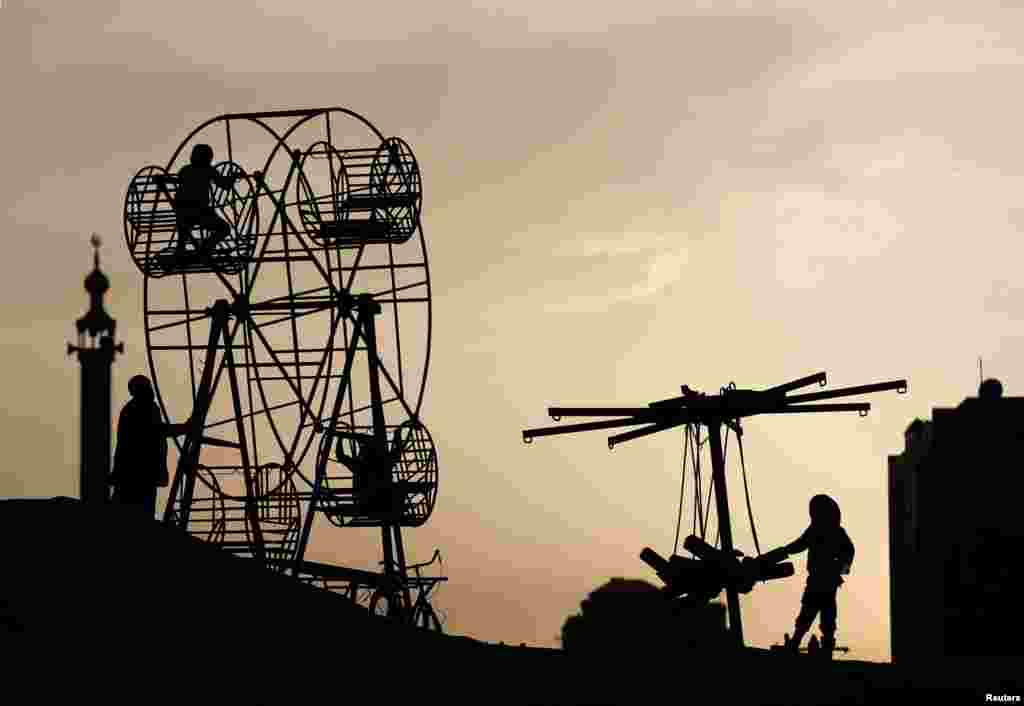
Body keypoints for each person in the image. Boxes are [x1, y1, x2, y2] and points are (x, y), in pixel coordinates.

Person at [777, 494, 855, 654]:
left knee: (815, 613)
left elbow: (848, 551)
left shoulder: (826, 531)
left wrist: (841, 567)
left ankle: (800, 644)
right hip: (824, 580)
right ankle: (812, 645)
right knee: (820, 614)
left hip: (823, 580)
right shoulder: (825, 530)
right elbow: (800, 544)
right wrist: (784, 551)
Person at [110, 375, 191, 519]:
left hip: (139, 474)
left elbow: (157, 431)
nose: (150, 390)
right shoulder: (138, 409)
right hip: (137, 474)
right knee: (134, 515)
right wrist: (185, 428)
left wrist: (184, 428)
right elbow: (156, 431)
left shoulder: (138, 408)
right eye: (146, 387)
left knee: (133, 514)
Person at [171, 144, 241, 260]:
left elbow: (177, 181)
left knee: (183, 232)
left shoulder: (185, 170)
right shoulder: (208, 170)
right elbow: (225, 185)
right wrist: (233, 177)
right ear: (207, 158)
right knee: (224, 229)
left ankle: (180, 252)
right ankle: (205, 249)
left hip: (182, 211)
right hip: (200, 211)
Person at [335, 426, 406, 518]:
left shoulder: (360, 466)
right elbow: (397, 451)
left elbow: (340, 455)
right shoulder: (384, 462)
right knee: (402, 484)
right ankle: (394, 509)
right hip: (385, 504)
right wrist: (397, 435)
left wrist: (340, 437)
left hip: (368, 505)